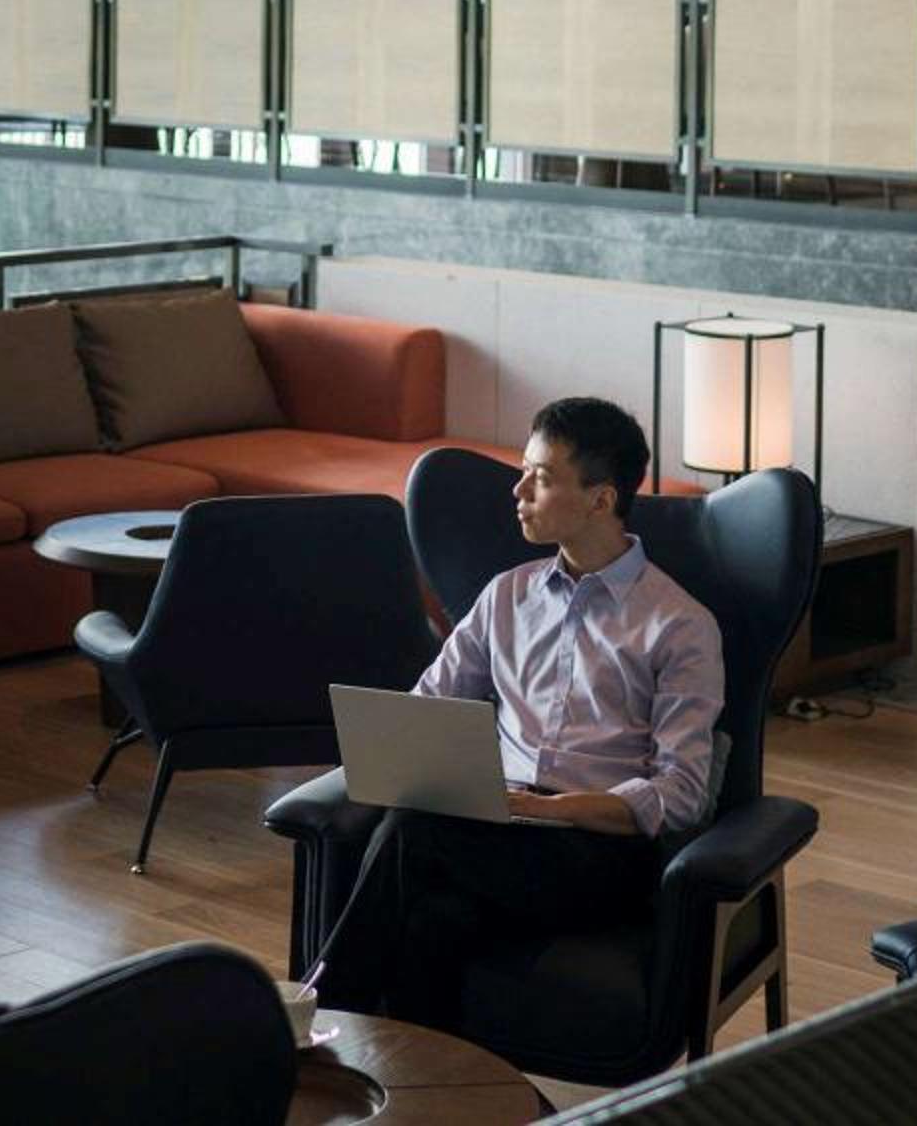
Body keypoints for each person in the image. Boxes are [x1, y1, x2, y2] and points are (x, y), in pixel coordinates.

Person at [306, 397, 724, 1033]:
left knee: (412, 833)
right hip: (495, 829)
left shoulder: (680, 626)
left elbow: (682, 793)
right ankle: (418, 1081)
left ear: (601, 500)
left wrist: (553, 810)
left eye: (542, 477)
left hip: (597, 851)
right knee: (432, 923)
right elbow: (424, 710)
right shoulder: (506, 596)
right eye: (524, 470)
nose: (518, 490)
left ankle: (317, 1015)